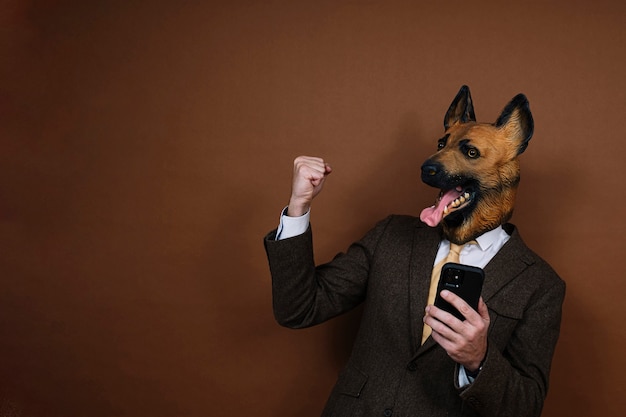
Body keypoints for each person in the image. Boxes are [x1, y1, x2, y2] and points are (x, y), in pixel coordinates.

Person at [264, 87, 565, 417]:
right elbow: (299, 309)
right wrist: (298, 207)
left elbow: (526, 406)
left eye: (471, 153)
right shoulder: (391, 236)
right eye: (444, 145)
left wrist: (479, 359)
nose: (439, 159)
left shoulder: (540, 285)